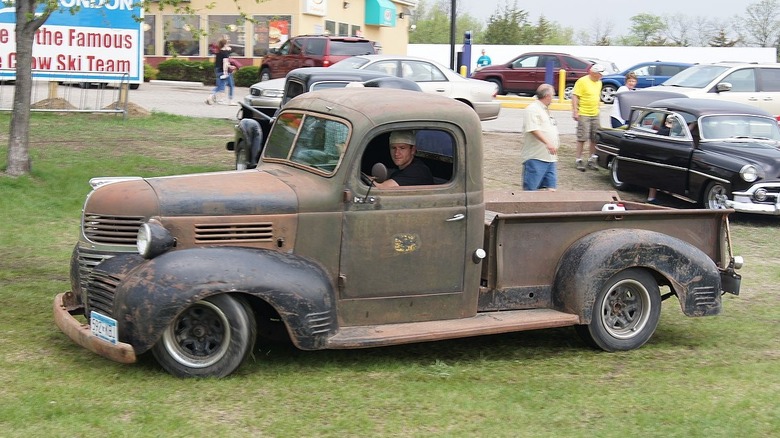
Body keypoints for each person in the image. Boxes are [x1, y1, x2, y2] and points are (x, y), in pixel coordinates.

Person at [521, 83, 559, 191]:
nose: (553, 98)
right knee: (531, 189)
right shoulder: (532, 109)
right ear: (547, 96)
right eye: (553, 95)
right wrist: (548, 143)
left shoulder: (545, 109)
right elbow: (533, 129)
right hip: (536, 157)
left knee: (551, 189)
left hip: (550, 158)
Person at [572, 64, 605, 171]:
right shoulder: (582, 81)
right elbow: (575, 95)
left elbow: (597, 95)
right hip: (584, 113)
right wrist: (575, 111)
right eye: (600, 74)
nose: (601, 76)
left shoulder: (599, 82)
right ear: (593, 73)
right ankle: (578, 159)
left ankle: (591, 159)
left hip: (595, 113)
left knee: (595, 137)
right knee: (582, 137)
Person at [206, 38, 234, 105]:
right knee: (229, 85)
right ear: (225, 44)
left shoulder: (218, 52)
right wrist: (226, 71)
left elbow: (219, 62)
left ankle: (214, 97)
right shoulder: (225, 53)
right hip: (224, 71)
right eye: (227, 43)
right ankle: (230, 100)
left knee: (221, 86)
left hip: (218, 70)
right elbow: (225, 63)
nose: (228, 44)